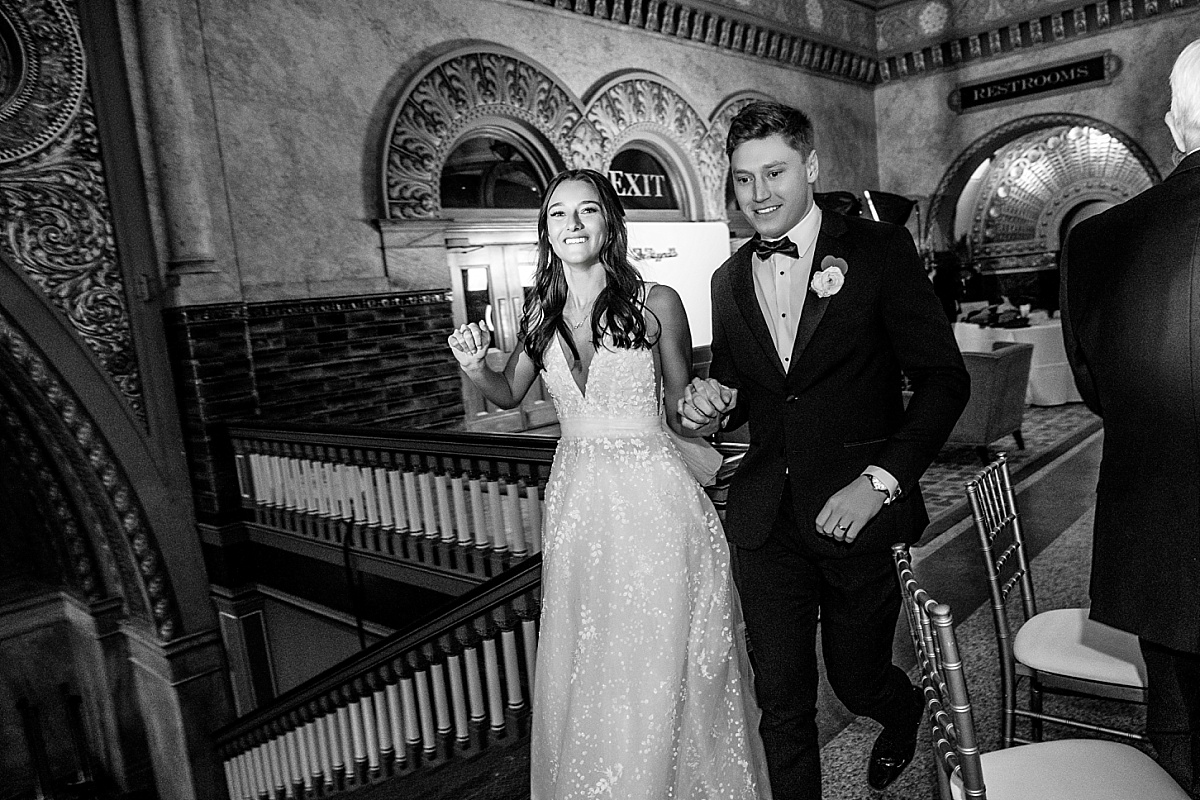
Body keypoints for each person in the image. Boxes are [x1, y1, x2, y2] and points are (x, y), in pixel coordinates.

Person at [448, 169, 771, 800]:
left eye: (586, 211)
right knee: (595, 662)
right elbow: (508, 392)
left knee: (666, 659)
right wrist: (472, 362)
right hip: (580, 509)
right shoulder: (538, 313)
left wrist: (707, 405)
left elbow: (682, 407)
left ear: (609, 224)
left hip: (656, 501)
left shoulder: (658, 302)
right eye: (558, 214)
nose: (572, 224)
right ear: (546, 231)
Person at [680, 101, 969, 798]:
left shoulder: (877, 252)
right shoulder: (726, 279)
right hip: (765, 520)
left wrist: (880, 481)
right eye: (743, 179)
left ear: (809, 167)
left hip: (854, 513)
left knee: (859, 676)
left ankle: (900, 719)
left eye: (774, 172)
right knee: (782, 704)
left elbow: (943, 380)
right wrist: (711, 401)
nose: (758, 195)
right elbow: (745, 382)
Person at [1060, 38, 1200, 797]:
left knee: (1177, 745)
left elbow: (1093, 387)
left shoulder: (1097, 242)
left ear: (1175, 128)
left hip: (1158, 552)